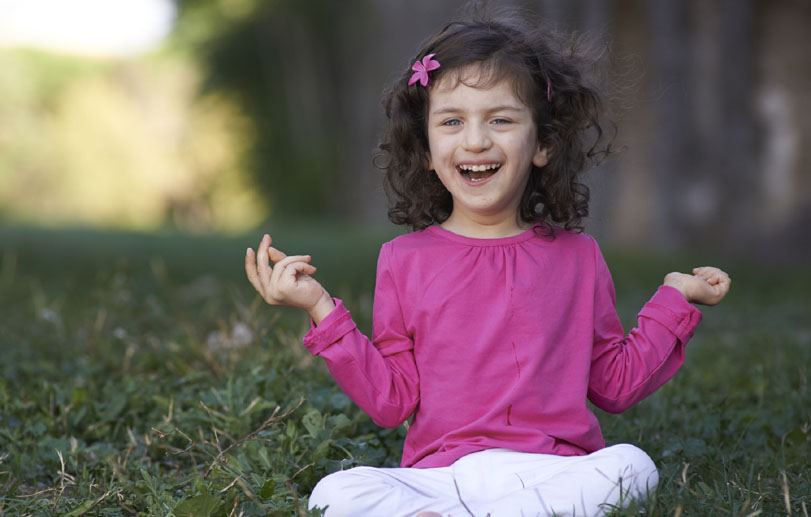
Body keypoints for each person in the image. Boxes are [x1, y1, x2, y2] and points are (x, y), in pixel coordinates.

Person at [244, 9, 731, 517]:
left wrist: (674, 299)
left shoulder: (578, 257)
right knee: (335, 493)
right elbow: (391, 400)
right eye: (452, 121)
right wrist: (320, 307)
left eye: (500, 119)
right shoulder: (402, 260)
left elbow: (613, 383)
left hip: (552, 472)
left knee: (633, 466)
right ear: (428, 150)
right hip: (441, 478)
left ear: (542, 143)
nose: (475, 140)